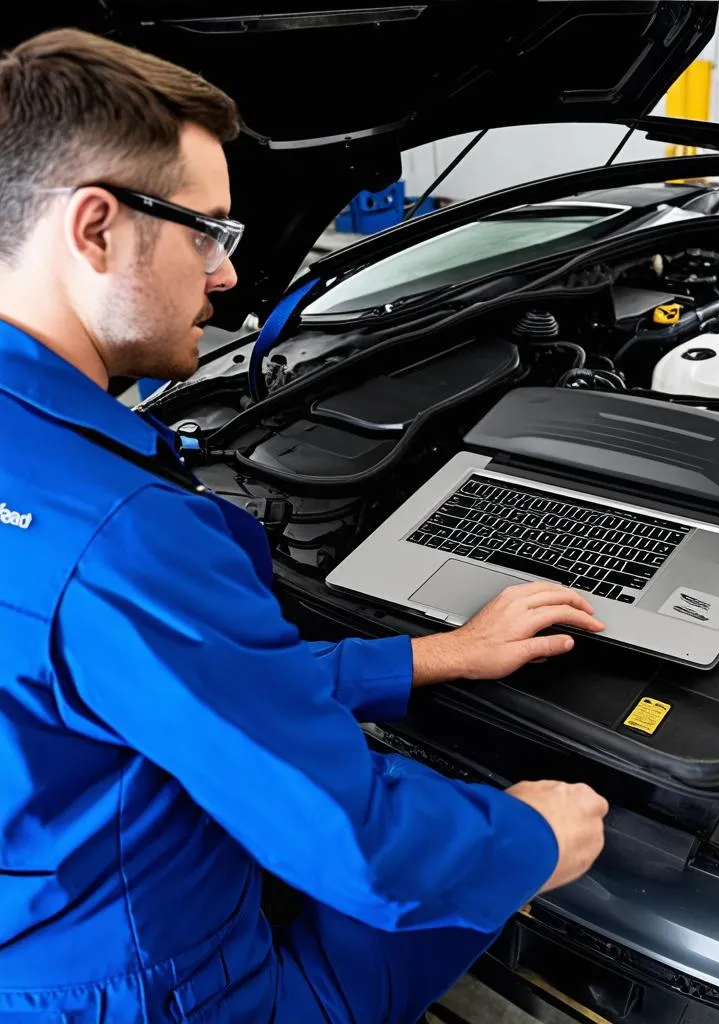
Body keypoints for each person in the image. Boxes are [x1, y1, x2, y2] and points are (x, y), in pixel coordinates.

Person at [0, 28, 610, 1024]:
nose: (228, 275)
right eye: (209, 230)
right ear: (97, 228)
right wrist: (533, 835)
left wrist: (424, 660)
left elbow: (159, 682)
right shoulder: (126, 539)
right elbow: (361, 849)